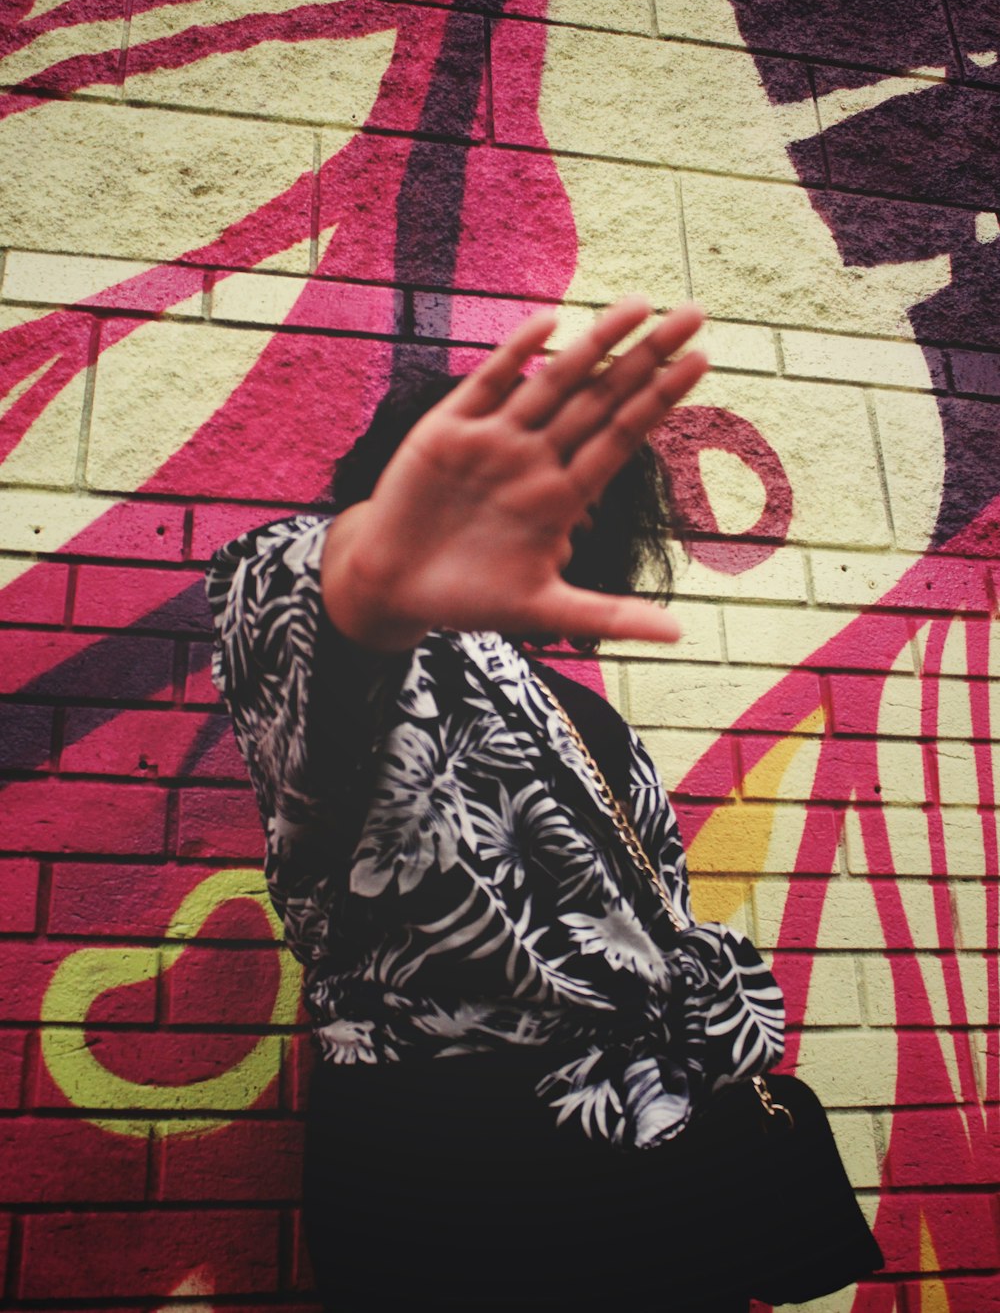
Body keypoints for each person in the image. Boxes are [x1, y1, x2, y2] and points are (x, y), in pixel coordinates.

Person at [206, 298, 874, 1312]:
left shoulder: (580, 714)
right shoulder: (363, 652)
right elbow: (299, 610)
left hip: (644, 1170)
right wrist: (375, 561)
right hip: (454, 1176)